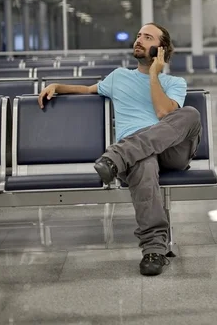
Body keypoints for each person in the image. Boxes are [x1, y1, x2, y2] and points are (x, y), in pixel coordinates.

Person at [38, 23, 201, 276]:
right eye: (139, 36)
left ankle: (118, 156)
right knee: (144, 160)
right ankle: (154, 250)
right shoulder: (118, 77)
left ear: (161, 49)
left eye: (147, 37)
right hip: (138, 159)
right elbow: (88, 89)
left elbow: (164, 113)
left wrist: (155, 75)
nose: (139, 40)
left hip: (170, 152)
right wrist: (57, 86)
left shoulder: (174, 82)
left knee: (190, 114)